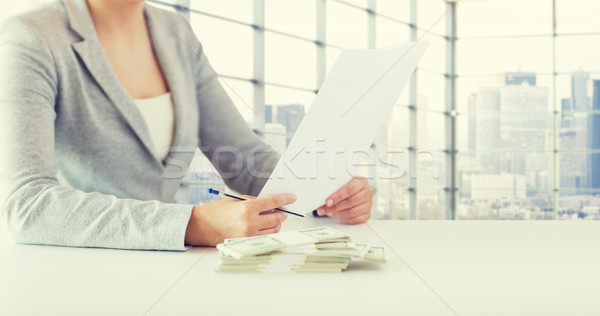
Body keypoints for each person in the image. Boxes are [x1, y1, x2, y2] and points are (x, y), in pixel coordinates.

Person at [0, 0, 374, 251]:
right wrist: (191, 224)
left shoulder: (173, 30)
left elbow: (243, 157)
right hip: (78, 272)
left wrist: (325, 190)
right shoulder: (31, 38)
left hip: (163, 269)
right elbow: (27, 204)